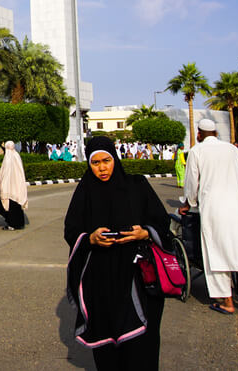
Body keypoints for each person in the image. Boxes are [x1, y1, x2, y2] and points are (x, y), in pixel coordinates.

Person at [64, 136, 170, 369]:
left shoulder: (137, 185)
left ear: (115, 158)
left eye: (107, 160)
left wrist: (145, 233)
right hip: (101, 279)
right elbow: (72, 230)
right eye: (95, 163)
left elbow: (161, 222)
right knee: (107, 347)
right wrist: (90, 238)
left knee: (142, 347)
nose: (102, 168)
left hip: (139, 277)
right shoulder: (85, 192)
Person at [179, 119, 238, 317]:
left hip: (213, 206)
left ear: (199, 134)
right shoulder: (233, 150)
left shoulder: (197, 151)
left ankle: (226, 301)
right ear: (216, 133)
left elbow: (192, 182)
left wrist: (188, 203)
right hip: (236, 206)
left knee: (216, 252)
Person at [0, 140, 27, 230]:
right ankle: (19, 223)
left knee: (10, 206)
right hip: (17, 185)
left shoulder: (8, 157)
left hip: (8, 185)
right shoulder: (17, 156)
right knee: (17, 205)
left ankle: (12, 224)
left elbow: (5, 172)